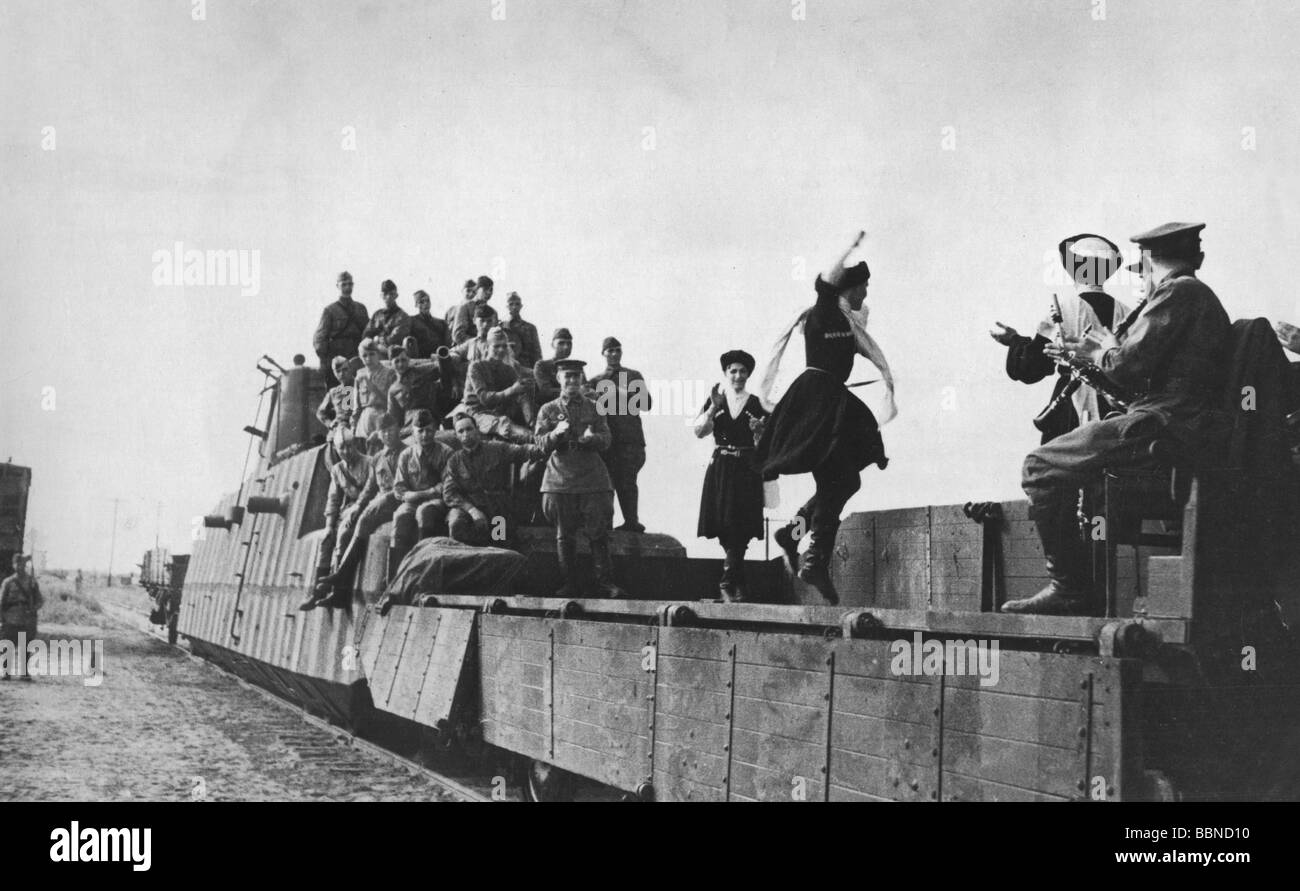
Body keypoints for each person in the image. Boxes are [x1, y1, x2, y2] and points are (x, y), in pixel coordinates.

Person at [1003, 222, 1231, 615]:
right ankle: (1076, 588)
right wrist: (1094, 358)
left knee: (1038, 466)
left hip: (1164, 422)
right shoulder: (1188, 297)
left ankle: (1069, 588)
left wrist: (1102, 352)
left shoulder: (1178, 290)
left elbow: (1124, 364)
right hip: (1174, 418)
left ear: (1145, 261)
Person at [756, 232, 897, 604]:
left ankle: (796, 536)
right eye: (862, 286)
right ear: (846, 288)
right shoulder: (824, 310)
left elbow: (863, 340)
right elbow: (824, 282)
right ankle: (813, 556)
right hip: (815, 404)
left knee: (843, 481)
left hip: (833, 402)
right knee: (843, 479)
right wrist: (848, 249)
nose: (866, 292)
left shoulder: (850, 323)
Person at [990, 234, 1131, 442]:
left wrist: (1014, 340)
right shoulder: (1128, 313)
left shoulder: (1063, 310)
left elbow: (1030, 368)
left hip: (1070, 412)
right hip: (1119, 412)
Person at [535, 359, 627, 598]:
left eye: (577, 376)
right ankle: (570, 584)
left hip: (591, 477)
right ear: (559, 378)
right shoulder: (548, 410)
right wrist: (555, 434)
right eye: (568, 376)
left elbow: (607, 440)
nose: (573, 381)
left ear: (582, 379)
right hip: (560, 478)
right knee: (564, 536)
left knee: (599, 533)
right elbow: (540, 444)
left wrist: (591, 438)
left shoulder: (595, 407)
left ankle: (605, 583)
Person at [694, 350, 770, 602]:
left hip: (747, 469)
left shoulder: (759, 403)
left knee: (742, 524)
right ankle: (739, 583)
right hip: (721, 468)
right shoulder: (717, 400)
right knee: (725, 526)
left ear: (748, 374)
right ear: (726, 374)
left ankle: (727, 583)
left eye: (742, 371)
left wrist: (760, 433)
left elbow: (769, 445)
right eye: (733, 371)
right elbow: (699, 431)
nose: (738, 375)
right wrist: (713, 407)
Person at [313, 412, 406, 606]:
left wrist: (367, 506)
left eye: (390, 430)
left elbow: (402, 485)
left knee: (362, 520)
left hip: (398, 500)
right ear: (379, 435)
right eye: (383, 432)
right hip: (380, 503)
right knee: (347, 528)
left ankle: (340, 575)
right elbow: (369, 488)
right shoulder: (377, 459)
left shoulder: (405, 453)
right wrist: (357, 507)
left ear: (398, 430)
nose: (388, 435)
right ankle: (333, 588)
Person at [444, 414, 552, 545]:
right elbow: (449, 494)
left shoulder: (497, 448)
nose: (466, 434)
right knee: (456, 525)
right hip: (469, 507)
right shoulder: (454, 461)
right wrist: (472, 510)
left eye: (469, 429)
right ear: (456, 435)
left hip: (496, 507)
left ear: (477, 429)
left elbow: (525, 451)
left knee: (500, 541)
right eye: (460, 431)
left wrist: (552, 440)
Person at [299, 431, 371, 611]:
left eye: (349, 446)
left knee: (344, 534)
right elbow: (334, 499)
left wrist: (358, 508)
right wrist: (329, 526)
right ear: (337, 450)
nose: (346, 451)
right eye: (341, 448)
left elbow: (371, 491)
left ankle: (339, 591)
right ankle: (319, 591)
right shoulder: (338, 470)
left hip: (366, 507)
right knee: (327, 539)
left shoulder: (369, 463)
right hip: (348, 510)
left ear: (354, 445)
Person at [588, 337, 651, 532]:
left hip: (630, 441)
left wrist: (617, 391)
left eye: (617, 350)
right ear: (603, 354)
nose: (614, 354)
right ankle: (606, 524)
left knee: (627, 481)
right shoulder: (595, 381)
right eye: (610, 351)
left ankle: (631, 522)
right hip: (606, 441)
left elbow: (646, 403)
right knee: (606, 484)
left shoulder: (632, 376)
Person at [390, 410, 455, 568]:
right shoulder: (406, 455)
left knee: (424, 512)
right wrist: (407, 495)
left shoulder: (446, 453)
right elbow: (398, 487)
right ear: (413, 432)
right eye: (420, 431)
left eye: (429, 430)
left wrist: (425, 493)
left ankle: (420, 567)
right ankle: (395, 573)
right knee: (400, 516)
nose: (425, 435)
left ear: (435, 430)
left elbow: (448, 484)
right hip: (412, 500)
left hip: (437, 501)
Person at [461, 327, 536, 443]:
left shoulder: (508, 370)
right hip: (478, 413)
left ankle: (533, 427)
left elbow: (520, 394)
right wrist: (512, 390)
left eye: (504, 346)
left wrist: (530, 419)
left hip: (500, 411)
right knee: (503, 424)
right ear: (487, 347)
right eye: (496, 346)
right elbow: (485, 398)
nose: (501, 350)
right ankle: (535, 440)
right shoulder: (476, 367)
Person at [313, 271, 369, 388]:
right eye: (344, 284)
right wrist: (328, 361)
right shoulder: (330, 310)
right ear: (337, 286)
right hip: (338, 357)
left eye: (350, 284)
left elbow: (367, 333)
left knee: (360, 389)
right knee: (342, 394)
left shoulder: (361, 309)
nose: (347, 287)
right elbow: (319, 339)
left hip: (356, 356)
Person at [1, 555, 43, 680]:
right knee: (8, 645)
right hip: (11, 618)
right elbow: (1, 602)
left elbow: (39, 600)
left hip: (26, 619)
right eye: (17, 564)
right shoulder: (8, 582)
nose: (19, 567)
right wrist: (2, 618)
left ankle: (24, 673)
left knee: (26, 646)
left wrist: (33, 609)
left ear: (25, 566)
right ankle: (6, 672)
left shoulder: (31, 582)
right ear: (13, 565)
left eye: (22, 565)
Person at [354, 340, 399, 442]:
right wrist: (353, 425)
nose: (368, 358)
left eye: (372, 354)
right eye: (364, 355)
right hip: (364, 420)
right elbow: (356, 406)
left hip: (382, 417)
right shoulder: (360, 375)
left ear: (378, 354)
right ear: (360, 357)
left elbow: (393, 404)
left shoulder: (389, 373)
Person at [364, 279, 412, 350]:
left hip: (394, 353)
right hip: (374, 351)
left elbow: (395, 339)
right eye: (385, 294)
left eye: (391, 294)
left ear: (396, 295)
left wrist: (377, 339)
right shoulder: (377, 315)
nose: (388, 297)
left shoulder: (403, 316)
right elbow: (366, 334)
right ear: (381, 295)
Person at [316, 356, 358, 434]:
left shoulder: (361, 385)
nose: (342, 374)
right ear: (334, 373)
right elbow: (320, 412)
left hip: (358, 427)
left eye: (345, 369)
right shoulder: (333, 392)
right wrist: (330, 424)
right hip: (340, 430)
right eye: (338, 371)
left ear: (351, 369)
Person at [452, 275, 499, 345]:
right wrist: (478, 343)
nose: (489, 292)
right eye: (485, 289)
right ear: (477, 289)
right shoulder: (465, 308)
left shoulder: (493, 313)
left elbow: (495, 334)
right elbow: (458, 335)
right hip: (468, 349)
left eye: (491, 290)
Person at [502, 292, 543, 369]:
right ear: (506, 306)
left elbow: (537, 353)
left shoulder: (530, 328)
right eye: (511, 304)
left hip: (526, 368)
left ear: (521, 306)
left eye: (517, 304)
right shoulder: (500, 327)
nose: (514, 307)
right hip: (506, 369)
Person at [533, 328, 574, 405]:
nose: (566, 347)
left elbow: (584, 388)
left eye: (569, 343)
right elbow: (546, 391)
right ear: (552, 345)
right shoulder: (542, 365)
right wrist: (573, 391)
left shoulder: (575, 366)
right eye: (561, 343)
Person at [409, 290, 452, 359]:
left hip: (441, 358)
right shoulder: (412, 322)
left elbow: (448, 345)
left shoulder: (441, 323)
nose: (426, 304)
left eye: (428, 301)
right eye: (421, 302)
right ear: (416, 305)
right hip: (421, 359)